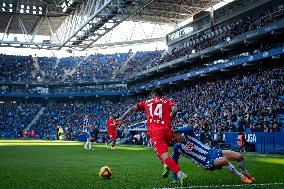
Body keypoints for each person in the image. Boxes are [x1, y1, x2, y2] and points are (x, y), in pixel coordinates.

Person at [116, 88, 189, 186]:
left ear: (153, 94)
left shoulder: (147, 102)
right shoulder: (167, 101)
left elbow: (132, 109)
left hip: (156, 132)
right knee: (163, 153)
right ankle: (166, 165)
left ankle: (180, 175)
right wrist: (170, 118)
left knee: (164, 157)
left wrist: (121, 118)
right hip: (167, 131)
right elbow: (175, 109)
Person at [166, 127, 255, 184]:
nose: (174, 140)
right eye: (172, 140)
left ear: (177, 133)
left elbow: (189, 128)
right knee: (224, 160)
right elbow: (174, 162)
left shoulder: (189, 135)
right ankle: (242, 177)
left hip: (213, 151)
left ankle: (245, 173)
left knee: (239, 156)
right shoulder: (177, 147)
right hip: (206, 162)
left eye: (173, 137)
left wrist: (175, 130)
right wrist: (175, 178)